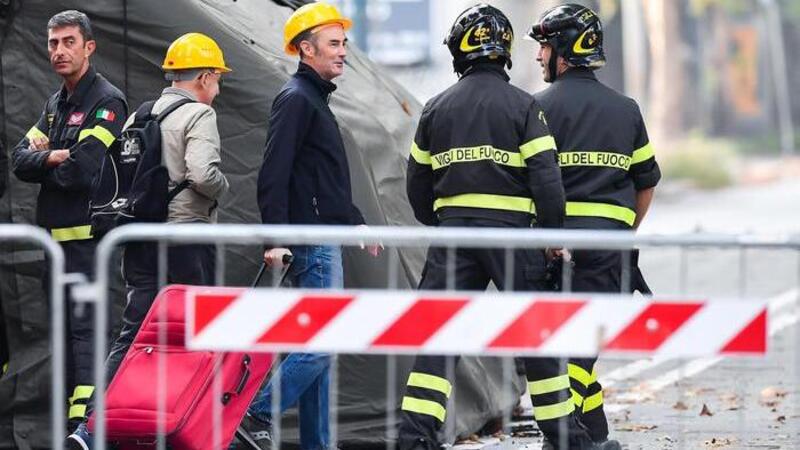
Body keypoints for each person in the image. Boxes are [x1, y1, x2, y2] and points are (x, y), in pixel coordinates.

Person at [398, 4, 619, 450]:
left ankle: (414, 437)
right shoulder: (524, 106)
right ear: (503, 52)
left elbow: (416, 184)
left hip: (455, 238)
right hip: (514, 239)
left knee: (438, 339)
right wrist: (551, 237)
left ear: (462, 51)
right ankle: (566, 440)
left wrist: (442, 220)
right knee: (535, 338)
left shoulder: (436, 109)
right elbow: (547, 179)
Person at [66, 32, 230, 449]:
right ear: (206, 77)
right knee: (198, 337)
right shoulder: (199, 115)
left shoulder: (142, 113)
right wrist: (224, 187)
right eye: (218, 80)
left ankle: (91, 428)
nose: (217, 88)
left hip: (141, 236)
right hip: (187, 239)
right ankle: (187, 429)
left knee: (134, 334)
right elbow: (203, 175)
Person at [241, 3, 379, 449]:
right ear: (306, 49)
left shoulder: (313, 98)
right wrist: (277, 238)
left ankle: (317, 444)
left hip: (323, 235)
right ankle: (256, 412)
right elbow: (273, 173)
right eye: (334, 44)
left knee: (320, 346)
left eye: (343, 43)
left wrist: (355, 224)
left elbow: (323, 177)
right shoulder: (297, 98)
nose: (343, 53)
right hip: (311, 239)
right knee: (322, 343)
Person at [528, 4, 661, 447]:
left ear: (563, 50)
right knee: (582, 347)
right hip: (610, 251)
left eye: (544, 46)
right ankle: (589, 437)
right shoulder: (626, 109)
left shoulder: (538, 109)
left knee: (570, 348)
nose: (538, 56)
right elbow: (646, 184)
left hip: (555, 252)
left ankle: (568, 439)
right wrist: (624, 231)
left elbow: (531, 184)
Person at [11, 10, 127, 431]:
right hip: (54, 249)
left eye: (68, 42)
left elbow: (80, 171)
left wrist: (51, 162)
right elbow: (20, 161)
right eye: (53, 43)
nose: (59, 51)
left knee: (86, 340)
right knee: (62, 338)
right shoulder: (55, 104)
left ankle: (88, 429)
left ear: (89, 47)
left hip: (87, 247)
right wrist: (50, 157)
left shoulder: (107, 101)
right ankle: (70, 429)